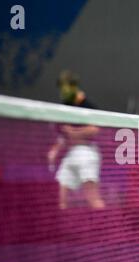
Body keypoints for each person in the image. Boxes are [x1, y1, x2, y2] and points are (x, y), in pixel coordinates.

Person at [48, 70, 105, 210]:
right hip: (70, 155)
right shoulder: (65, 105)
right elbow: (63, 134)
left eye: (66, 85)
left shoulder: (87, 104)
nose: (63, 89)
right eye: (61, 86)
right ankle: (63, 229)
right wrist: (55, 149)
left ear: (74, 86)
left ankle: (107, 228)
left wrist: (74, 132)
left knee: (93, 198)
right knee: (61, 200)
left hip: (87, 153)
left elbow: (95, 129)